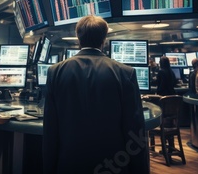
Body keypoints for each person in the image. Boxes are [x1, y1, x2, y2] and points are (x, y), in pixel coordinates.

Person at [43, 15, 147, 174]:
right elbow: (134, 130)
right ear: (104, 39)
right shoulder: (125, 73)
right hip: (113, 164)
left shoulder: (55, 72)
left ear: (78, 38)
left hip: (69, 163)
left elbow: (51, 130)